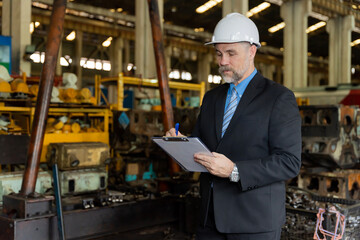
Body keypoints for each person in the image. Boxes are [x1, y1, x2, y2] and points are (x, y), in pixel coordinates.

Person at [166, 12, 301, 240]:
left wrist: (234, 171)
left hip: (254, 222)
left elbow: (289, 162)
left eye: (231, 53)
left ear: (252, 51)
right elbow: (202, 148)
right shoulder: (212, 98)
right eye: (219, 53)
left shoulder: (278, 98)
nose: (222, 61)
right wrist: (180, 143)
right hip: (210, 220)